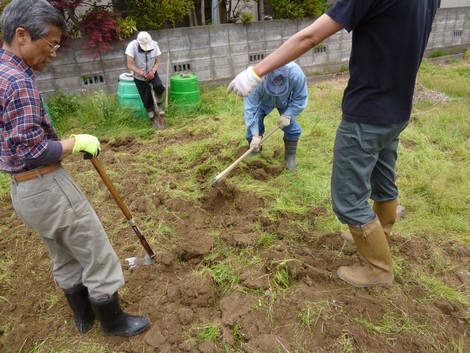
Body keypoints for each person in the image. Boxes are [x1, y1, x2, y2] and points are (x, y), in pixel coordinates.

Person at [227, 0, 438, 287]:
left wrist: (256, 71)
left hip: (367, 113)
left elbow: (311, 36)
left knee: (348, 202)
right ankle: (378, 235)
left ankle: (378, 269)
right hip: (397, 109)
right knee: (383, 182)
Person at [0, 0, 150, 336]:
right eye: (50, 43)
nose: (53, 53)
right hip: (45, 184)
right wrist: (75, 142)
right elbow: (32, 149)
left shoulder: (3, 72)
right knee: (95, 248)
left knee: (63, 251)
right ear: (21, 35)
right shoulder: (17, 82)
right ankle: (113, 322)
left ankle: (84, 317)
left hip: (23, 191)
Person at [244, 61, 308, 171]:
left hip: (285, 101)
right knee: (252, 131)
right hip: (262, 101)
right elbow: (250, 109)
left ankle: (290, 157)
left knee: (292, 129)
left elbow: (300, 98)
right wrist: (255, 135)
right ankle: (255, 151)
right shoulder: (255, 80)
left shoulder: (296, 74)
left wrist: (288, 115)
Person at [125, 31, 166, 129]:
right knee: (146, 99)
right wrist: (142, 73)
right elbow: (130, 65)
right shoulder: (132, 46)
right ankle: (153, 119)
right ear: (139, 42)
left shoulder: (155, 44)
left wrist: (153, 71)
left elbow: (158, 61)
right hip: (139, 76)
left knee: (158, 86)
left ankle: (159, 105)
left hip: (152, 72)